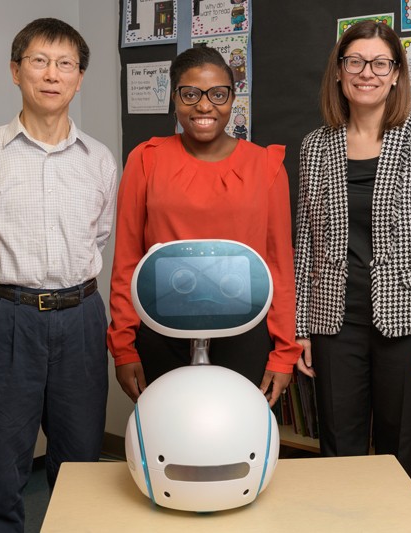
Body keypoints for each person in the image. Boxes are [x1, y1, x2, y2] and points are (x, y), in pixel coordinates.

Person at [0, 18, 117, 532]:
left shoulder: (100, 160)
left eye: (65, 64)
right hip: (6, 319)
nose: (52, 74)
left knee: (81, 460)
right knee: (2, 463)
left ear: (79, 78)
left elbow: (99, 237)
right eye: (39, 61)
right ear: (15, 71)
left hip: (81, 320)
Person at [294, 20, 411, 488]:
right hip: (334, 322)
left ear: (395, 74)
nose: (366, 72)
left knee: (398, 453)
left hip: (407, 324)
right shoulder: (315, 146)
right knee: (338, 450)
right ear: (339, 72)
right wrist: (300, 326)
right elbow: (305, 242)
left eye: (380, 63)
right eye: (355, 61)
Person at [108, 46, 301, 407]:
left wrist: (284, 352)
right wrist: (124, 347)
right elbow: (127, 261)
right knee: (172, 433)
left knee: (238, 435)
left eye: (218, 94)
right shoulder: (146, 159)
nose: (204, 106)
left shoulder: (265, 165)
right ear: (175, 97)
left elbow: (279, 265)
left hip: (244, 331)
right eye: (190, 93)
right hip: (161, 328)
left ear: (232, 97)